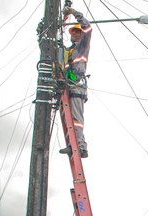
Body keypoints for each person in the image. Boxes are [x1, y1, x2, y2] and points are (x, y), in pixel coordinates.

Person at [59, 5, 92, 158]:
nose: (76, 34)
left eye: (78, 32)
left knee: (77, 120)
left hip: (77, 87)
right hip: (68, 87)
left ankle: (80, 146)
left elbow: (87, 27)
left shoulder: (83, 46)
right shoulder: (69, 51)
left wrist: (73, 13)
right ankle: (73, 145)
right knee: (70, 120)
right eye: (74, 32)